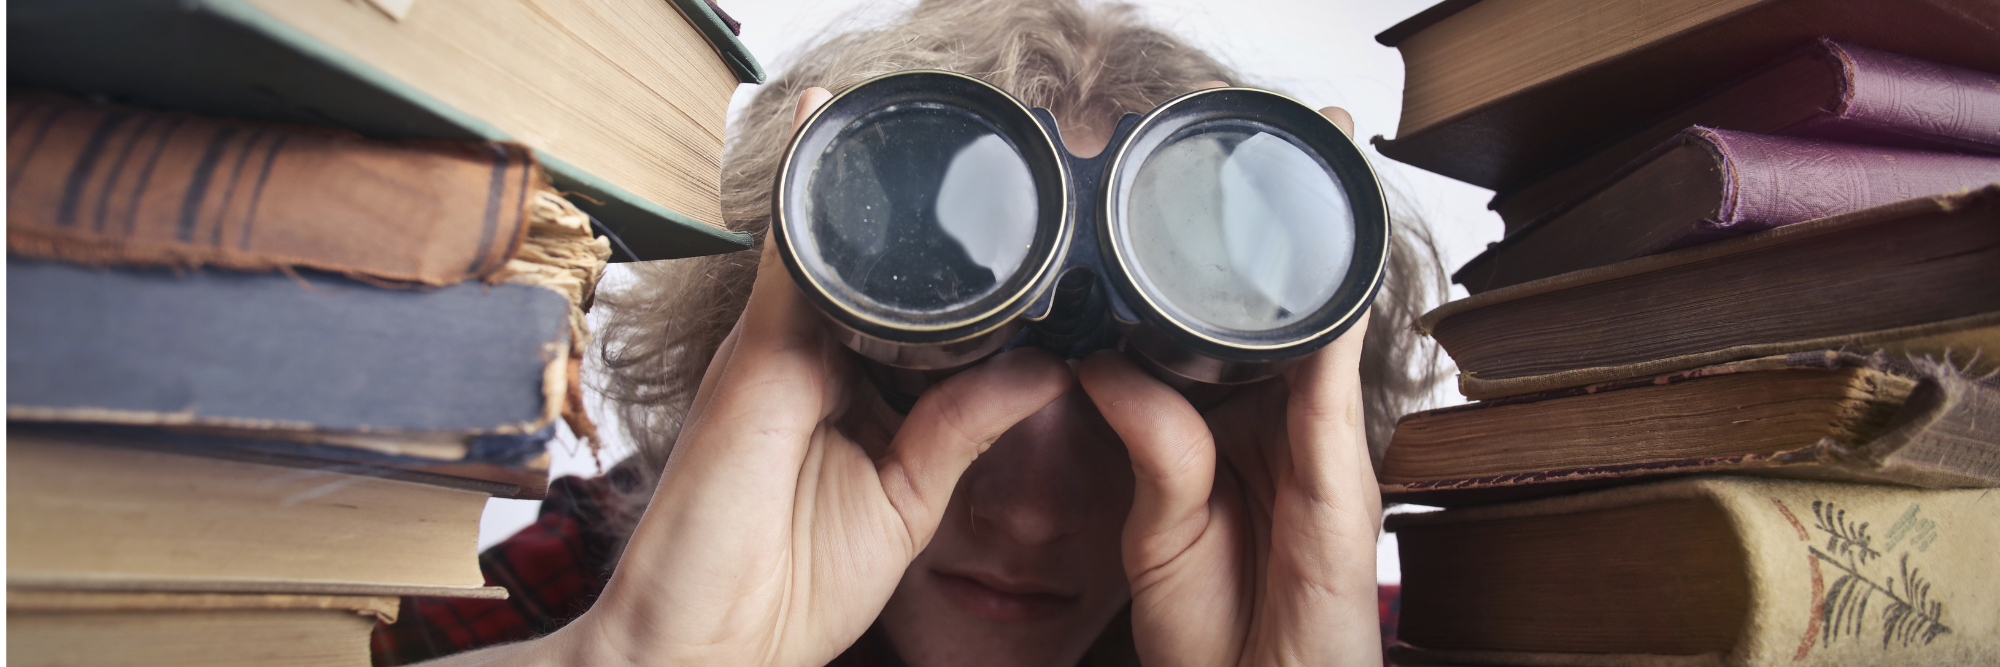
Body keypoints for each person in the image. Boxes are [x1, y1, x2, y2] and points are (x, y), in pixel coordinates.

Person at [373, 0, 1444, 664]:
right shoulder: (562, 589)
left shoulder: (1374, 631)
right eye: (936, 373)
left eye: (1128, 431)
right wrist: (625, 662)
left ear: (1275, 426)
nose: (1025, 515)